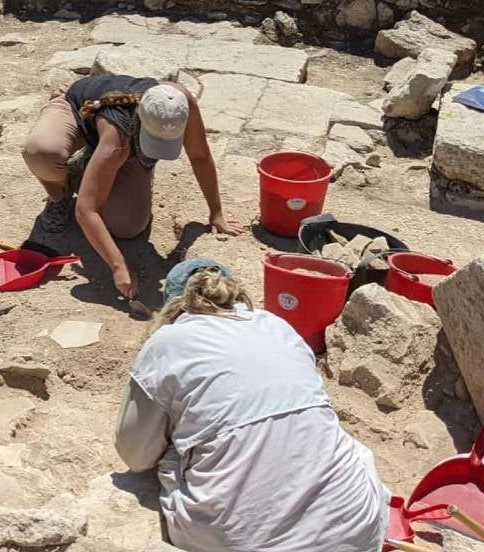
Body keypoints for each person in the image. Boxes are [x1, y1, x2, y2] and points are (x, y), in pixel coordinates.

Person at [114, 259, 390, 552]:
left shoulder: (168, 341)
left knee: (176, 455)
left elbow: (136, 455)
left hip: (241, 541)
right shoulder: (278, 326)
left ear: (173, 306)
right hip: (357, 527)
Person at [22, 74, 245, 299]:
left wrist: (216, 213)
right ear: (139, 121)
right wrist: (118, 266)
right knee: (41, 153)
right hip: (80, 109)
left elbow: (200, 156)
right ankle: (61, 193)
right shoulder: (117, 139)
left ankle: (97, 168)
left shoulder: (180, 102)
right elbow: (85, 210)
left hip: (125, 149)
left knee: (127, 227)